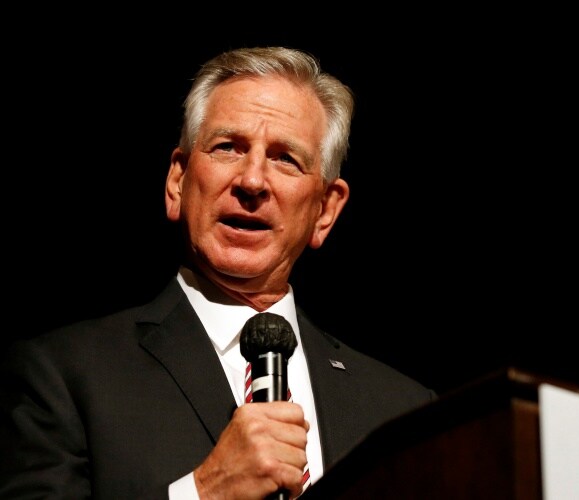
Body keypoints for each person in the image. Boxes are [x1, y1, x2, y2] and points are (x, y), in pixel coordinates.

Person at [0, 46, 437, 499]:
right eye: (228, 147)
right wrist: (204, 492)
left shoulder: (402, 411)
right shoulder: (63, 376)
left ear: (325, 210)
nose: (252, 181)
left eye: (286, 158)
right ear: (178, 182)